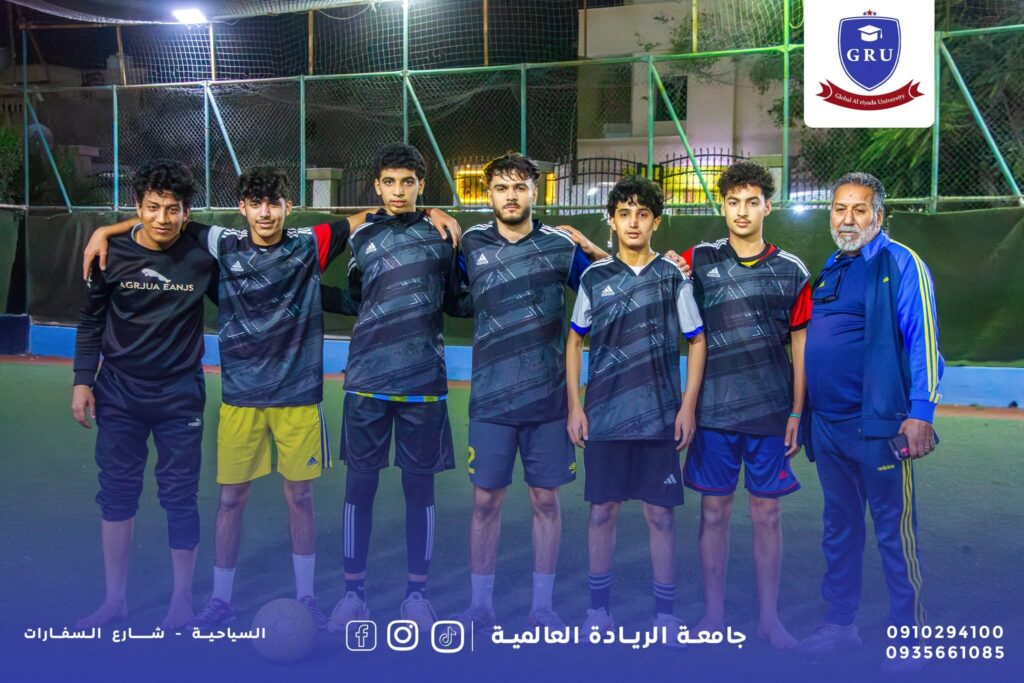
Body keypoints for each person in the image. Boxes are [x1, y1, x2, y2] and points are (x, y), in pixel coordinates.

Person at [81, 166, 461, 631]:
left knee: (300, 496)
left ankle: (307, 598)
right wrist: (106, 230)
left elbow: (371, 214)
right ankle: (221, 600)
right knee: (230, 499)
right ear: (242, 208)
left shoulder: (310, 242)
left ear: (287, 206)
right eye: (256, 204)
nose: (265, 213)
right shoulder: (222, 242)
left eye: (273, 204)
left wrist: (431, 211)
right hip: (240, 397)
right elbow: (168, 220)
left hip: (298, 395)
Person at [446, 152, 607, 631]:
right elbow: (449, 294)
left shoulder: (560, 245)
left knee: (545, 502)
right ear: (488, 194)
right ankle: (481, 606)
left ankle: (542, 607)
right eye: (502, 188)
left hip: (548, 402)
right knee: (485, 503)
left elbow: (614, 284)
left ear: (536, 193)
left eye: (520, 187)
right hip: (491, 401)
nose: (511, 196)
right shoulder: (470, 243)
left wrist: (593, 248)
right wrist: (434, 214)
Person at [797, 172, 941, 674]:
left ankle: (912, 637)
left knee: (894, 534)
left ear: (878, 216)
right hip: (828, 427)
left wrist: (920, 413)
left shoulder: (900, 262)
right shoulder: (831, 266)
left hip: (879, 427)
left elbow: (924, 338)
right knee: (838, 529)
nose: (848, 219)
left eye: (859, 209)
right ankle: (841, 625)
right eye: (840, 209)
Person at [323, 144, 462, 633]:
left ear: (422, 185)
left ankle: (416, 596)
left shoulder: (444, 235)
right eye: (389, 182)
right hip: (367, 381)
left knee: (418, 490)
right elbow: (357, 298)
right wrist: (301, 294)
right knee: (358, 488)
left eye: (407, 182)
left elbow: (458, 302)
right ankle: (353, 595)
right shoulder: (361, 235)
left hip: (424, 383)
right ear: (377, 186)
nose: (398, 191)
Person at [72, 159, 216, 630]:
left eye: (172, 209)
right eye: (152, 207)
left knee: (180, 497)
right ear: (137, 206)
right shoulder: (110, 253)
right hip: (118, 394)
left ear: (186, 212)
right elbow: (91, 320)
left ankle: (180, 602)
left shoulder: (203, 256)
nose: (162, 218)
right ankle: (114, 601)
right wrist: (82, 380)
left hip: (179, 396)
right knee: (116, 493)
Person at [674, 161, 811, 649]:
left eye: (752, 202)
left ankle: (770, 620)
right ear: (723, 205)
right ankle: (713, 615)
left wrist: (797, 411)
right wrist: (590, 249)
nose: (742, 211)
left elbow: (801, 347)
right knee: (713, 514)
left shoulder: (792, 270)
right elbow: (640, 268)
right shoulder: (698, 259)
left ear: (768, 207)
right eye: (733, 202)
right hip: (714, 412)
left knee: (767, 516)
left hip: (770, 414)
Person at [566, 175, 706, 641]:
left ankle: (665, 615)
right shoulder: (594, 277)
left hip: (659, 417)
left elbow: (697, 340)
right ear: (611, 220)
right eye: (624, 213)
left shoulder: (672, 276)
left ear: (655, 222)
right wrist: (575, 405)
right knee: (601, 513)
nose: (633, 222)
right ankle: (598, 611)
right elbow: (574, 341)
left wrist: (687, 407)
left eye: (642, 214)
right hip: (604, 418)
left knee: (660, 516)